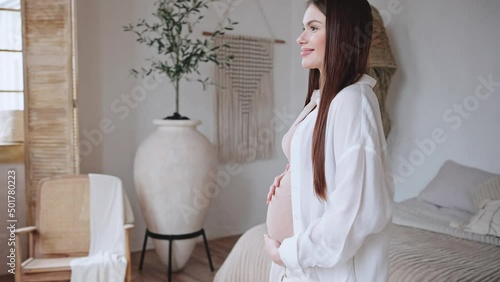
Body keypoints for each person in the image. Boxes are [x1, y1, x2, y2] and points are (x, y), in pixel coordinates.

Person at [264, 0, 395, 281]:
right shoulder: (323, 100)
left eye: (313, 28)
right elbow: (324, 169)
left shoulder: (353, 102)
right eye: (303, 28)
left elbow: (357, 213)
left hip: (321, 269)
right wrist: (293, 176)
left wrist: (287, 253)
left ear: (342, 33)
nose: (301, 38)